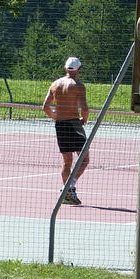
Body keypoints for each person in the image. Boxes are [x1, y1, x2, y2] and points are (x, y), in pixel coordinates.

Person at [42, 56, 90, 205]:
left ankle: (67, 190)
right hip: (74, 124)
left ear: (65, 69)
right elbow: (85, 108)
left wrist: (56, 117)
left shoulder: (55, 84)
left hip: (60, 125)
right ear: (79, 70)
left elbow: (45, 107)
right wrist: (84, 120)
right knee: (84, 159)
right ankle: (69, 186)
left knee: (67, 161)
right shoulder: (78, 86)